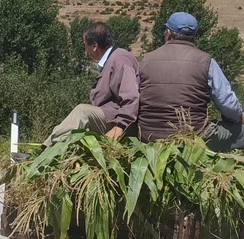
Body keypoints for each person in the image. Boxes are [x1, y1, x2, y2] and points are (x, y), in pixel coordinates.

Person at [138, 12, 244, 149]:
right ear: (193, 37)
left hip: (149, 135)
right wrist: (236, 119)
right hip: (194, 136)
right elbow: (228, 105)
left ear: (168, 33)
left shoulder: (146, 60)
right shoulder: (206, 62)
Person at [41, 22, 140, 148]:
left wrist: (120, 126)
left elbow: (131, 96)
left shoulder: (120, 60)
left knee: (82, 112)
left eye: (85, 45)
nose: (85, 50)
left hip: (118, 120)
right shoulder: (112, 59)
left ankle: (44, 150)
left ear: (94, 46)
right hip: (112, 116)